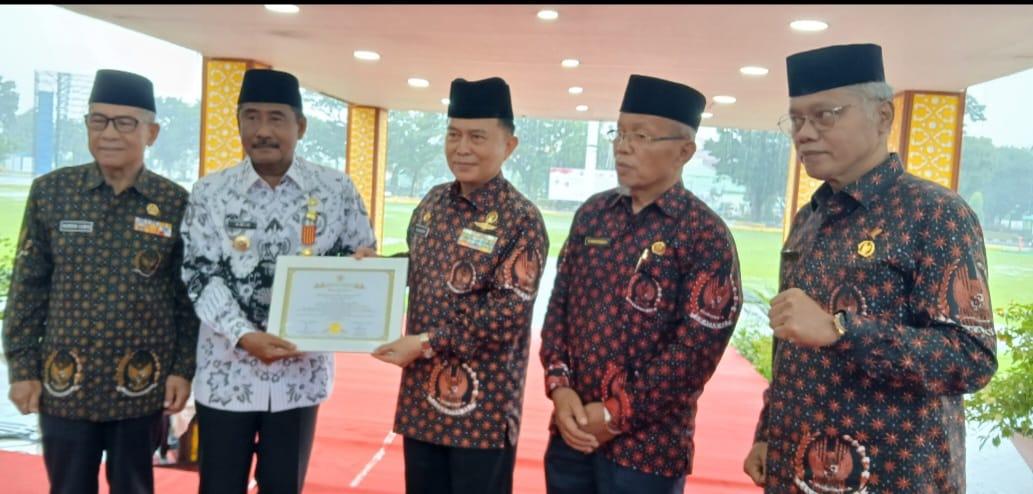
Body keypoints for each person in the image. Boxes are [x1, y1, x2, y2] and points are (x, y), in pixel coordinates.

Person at [742, 43, 998, 493]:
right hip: (794, 467)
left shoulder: (935, 213)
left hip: (891, 475)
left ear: (883, 116)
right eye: (796, 120)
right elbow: (791, 344)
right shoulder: (809, 219)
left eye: (825, 115)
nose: (805, 133)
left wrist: (842, 330)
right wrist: (767, 431)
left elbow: (970, 358)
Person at [538, 74, 743, 493]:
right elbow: (558, 308)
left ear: (684, 151)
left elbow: (694, 353)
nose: (623, 146)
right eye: (620, 133)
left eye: (642, 136)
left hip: (648, 450)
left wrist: (615, 413)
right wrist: (560, 389)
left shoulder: (704, 234)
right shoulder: (593, 215)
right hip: (573, 431)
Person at [2, 69, 200, 494]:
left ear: (151, 132)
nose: (109, 133)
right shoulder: (52, 193)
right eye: (99, 120)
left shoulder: (173, 203)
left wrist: (182, 370)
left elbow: (185, 297)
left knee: (134, 487)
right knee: (68, 487)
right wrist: (22, 369)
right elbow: (28, 287)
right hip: (64, 381)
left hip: (141, 382)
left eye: (125, 122)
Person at [180, 68, 376, 494]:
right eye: (250, 116)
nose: (262, 130)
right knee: (218, 487)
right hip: (226, 373)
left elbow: (360, 255)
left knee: (283, 487)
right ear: (238, 122)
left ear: (300, 126)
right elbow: (199, 273)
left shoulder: (336, 189)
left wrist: (362, 268)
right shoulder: (210, 192)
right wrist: (244, 334)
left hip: (299, 376)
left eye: (276, 118)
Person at [370, 76, 548, 494]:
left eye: (477, 137)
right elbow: (422, 266)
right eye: (454, 134)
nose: (462, 147)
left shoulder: (521, 219)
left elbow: (506, 313)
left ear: (509, 146)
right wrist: (376, 272)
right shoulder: (433, 202)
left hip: (481, 411)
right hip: (421, 402)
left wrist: (424, 342)